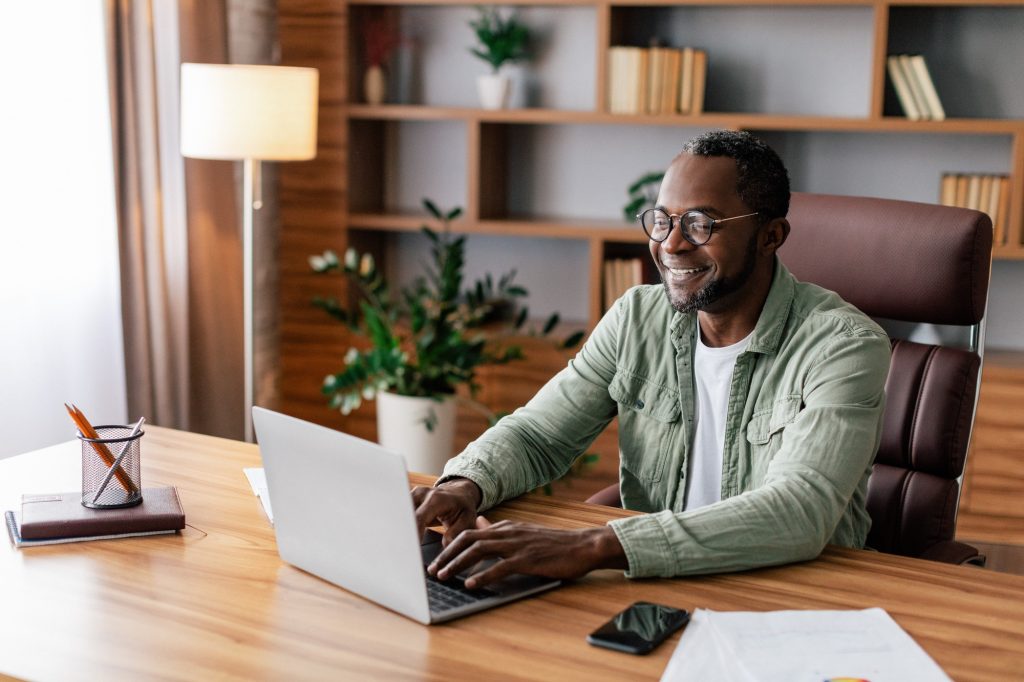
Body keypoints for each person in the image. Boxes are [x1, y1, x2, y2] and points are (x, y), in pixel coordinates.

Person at [412, 130, 891, 589]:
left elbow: (797, 513)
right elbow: (539, 435)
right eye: (662, 221)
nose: (672, 244)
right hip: (655, 586)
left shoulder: (844, 346)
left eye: (701, 224)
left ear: (771, 236)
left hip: (792, 595)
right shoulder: (637, 317)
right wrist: (464, 484)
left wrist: (595, 545)